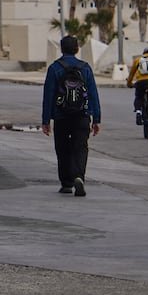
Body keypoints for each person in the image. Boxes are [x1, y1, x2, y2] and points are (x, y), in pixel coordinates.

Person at [41, 35, 102, 197]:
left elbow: (49, 95)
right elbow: (93, 94)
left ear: (61, 49)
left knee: (62, 149)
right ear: (77, 49)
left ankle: (66, 183)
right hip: (82, 115)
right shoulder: (85, 68)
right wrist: (96, 119)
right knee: (80, 147)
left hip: (61, 116)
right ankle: (78, 176)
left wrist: (46, 120)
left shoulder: (54, 68)